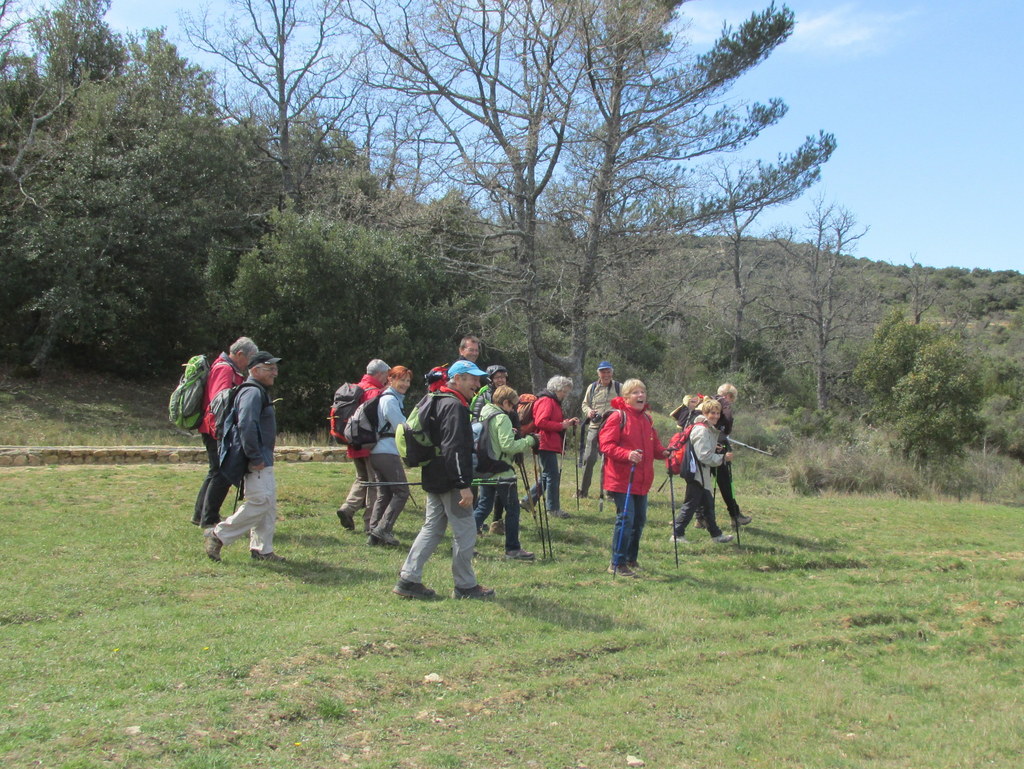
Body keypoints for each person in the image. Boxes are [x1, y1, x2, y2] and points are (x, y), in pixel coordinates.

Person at [393, 360, 495, 600]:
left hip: (433, 473)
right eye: (473, 379)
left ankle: (408, 579)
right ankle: (465, 586)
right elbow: (454, 448)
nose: (477, 384)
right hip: (451, 479)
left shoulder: (434, 397)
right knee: (466, 531)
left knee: (432, 528)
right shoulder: (454, 406)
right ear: (457, 378)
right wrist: (463, 486)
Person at [204, 351, 285, 562]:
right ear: (255, 370)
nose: (275, 373)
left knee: (268, 503)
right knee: (260, 501)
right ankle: (218, 535)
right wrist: (255, 457)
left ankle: (262, 550)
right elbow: (246, 425)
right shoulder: (252, 393)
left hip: (262, 458)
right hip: (256, 459)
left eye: (275, 368)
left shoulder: (257, 391)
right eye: (270, 369)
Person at [599, 379, 669, 578]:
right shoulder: (617, 417)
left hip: (642, 481)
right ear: (626, 397)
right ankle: (617, 563)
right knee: (626, 519)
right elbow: (606, 445)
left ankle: (630, 558)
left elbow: (654, 447)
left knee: (639, 520)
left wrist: (665, 453)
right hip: (621, 479)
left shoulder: (647, 419)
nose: (641, 396)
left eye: (643, 392)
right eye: (635, 393)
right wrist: (627, 454)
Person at [192, 337, 258, 528]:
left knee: (215, 472)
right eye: (250, 358)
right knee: (222, 473)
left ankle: (201, 515)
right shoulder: (225, 369)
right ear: (239, 355)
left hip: (213, 428)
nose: (251, 364)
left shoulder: (225, 367)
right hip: (216, 430)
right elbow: (220, 401)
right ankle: (209, 518)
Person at [472, 386, 539, 560]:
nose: (515, 409)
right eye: (514, 405)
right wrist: (530, 440)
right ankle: (513, 549)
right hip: (502, 471)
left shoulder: (485, 412)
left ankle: (463, 543)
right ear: (506, 402)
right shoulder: (503, 418)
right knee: (513, 510)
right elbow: (508, 446)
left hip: (485, 468)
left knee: (483, 506)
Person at [670, 397, 735, 545]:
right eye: (712, 413)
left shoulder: (705, 428)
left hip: (701, 474)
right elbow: (704, 456)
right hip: (697, 474)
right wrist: (723, 458)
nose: (715, 416)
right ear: (705, 413)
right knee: (690, 505)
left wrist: (715, 448)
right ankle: (677, 534)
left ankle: (716, 535)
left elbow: (703, 449)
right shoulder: (702, 430)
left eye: (718, 413)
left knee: (707, 506)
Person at [336, 359, 390, 533]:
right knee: (375, 483)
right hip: (369, 445)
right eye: (386, 375)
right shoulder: (374, 393)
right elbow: (379, 422)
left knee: (362, 479)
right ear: (380, 374)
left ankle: (348, 508)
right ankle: (370, 523)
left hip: (353, 443)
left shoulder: (356, 389)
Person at [367, 366, 413, 547]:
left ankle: (374, 534)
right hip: (386, 452)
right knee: (402, 491)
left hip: (378, 451)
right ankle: (383, 529)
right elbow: (400, 426)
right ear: (390, 379)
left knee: (384, 494)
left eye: (408, 381)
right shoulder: (390, 400)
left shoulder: (389, 398)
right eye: (401, 379)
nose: (405, 384)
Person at [528, 376, 578, 518]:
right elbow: (540, 422)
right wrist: (561, 426)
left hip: (548, 442)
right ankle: (553, 509)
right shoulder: (547, 401)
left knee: (547, 475)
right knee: (552, 476)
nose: (566, 395)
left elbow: (550, 421)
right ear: (557, 389)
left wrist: (566, 423)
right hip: (545, 442)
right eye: (565, 391)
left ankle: (528, 501)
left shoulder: (552, 401)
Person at [578, 362, 622, 499]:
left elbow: (625, 404)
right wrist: (589, 412)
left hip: (611, 428)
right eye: (603, 372)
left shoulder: (618, 387)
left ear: (612, 373)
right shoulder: (592, 387)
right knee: (589, 459)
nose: (606, 375)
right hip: (594, 427)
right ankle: (583, 491)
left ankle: (609, 492)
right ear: (598, 373)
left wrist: (615, 413)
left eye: (608, 372)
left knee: (608, 460)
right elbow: (585, 404)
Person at [713, 383, 752, 526]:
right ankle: (735, 516)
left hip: (705, 449)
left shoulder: (708, 402)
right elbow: (728, 424)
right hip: (719, 449)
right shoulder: (723, 405)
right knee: (726, 484)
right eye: (732, 398)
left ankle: (701, 518)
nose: (731, 402)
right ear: (729, 396)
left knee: (702, 486)